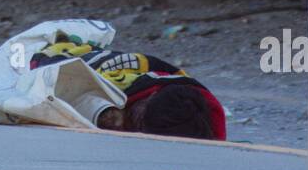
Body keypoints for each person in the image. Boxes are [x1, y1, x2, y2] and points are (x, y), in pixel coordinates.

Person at [30, 36, 226, 140]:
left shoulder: (203, 117)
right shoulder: (126, 89)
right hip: (68, 58)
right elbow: (65, 85)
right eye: (136, 118)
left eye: (138, 124)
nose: (130, 123)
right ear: (148, 98)